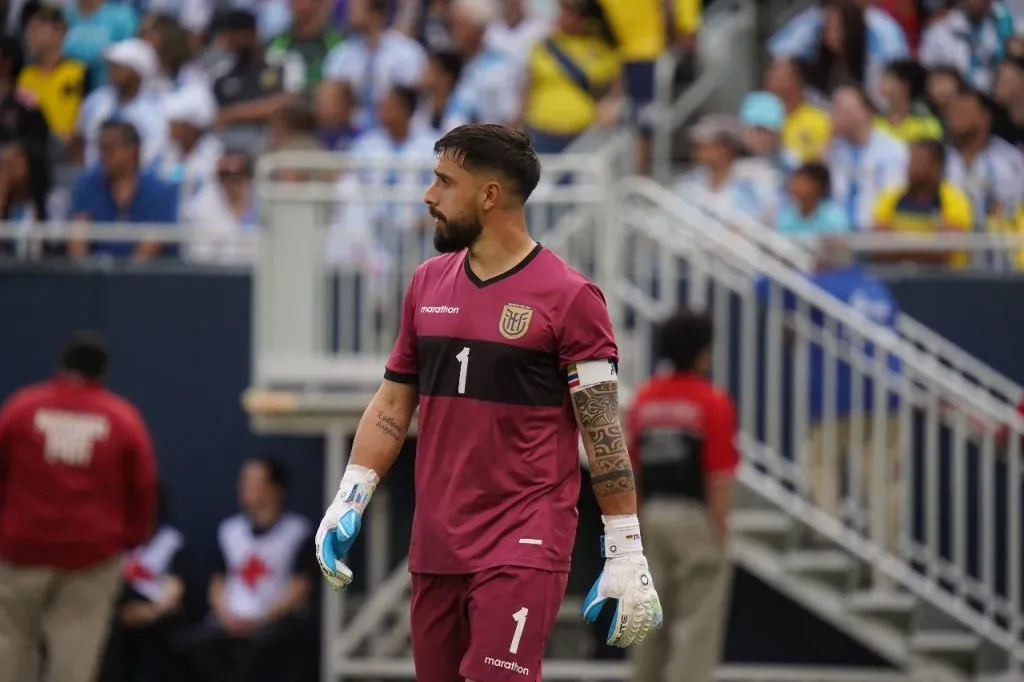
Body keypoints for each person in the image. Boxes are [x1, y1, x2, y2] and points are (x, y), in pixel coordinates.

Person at [315, 124, 663, 681]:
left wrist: (625, 545)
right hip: (437, 539)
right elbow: (393, 401)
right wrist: (350, 496)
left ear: (489, 195)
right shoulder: (427, 284)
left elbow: (602, 431)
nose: (429, 196)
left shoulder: (572, 299)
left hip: (524, 536)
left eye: (444, 182)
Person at [0, 331, 159, 682]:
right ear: (102, 373)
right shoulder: (121, 418)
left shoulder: (22, 407)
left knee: (11, 641)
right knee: (75, 650)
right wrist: (131, 539)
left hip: (20, 547)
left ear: (61, 366)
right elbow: (144, 485)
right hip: (91, 555)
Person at [627, 310, 738, 682]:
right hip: (694, 519)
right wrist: (719, 530)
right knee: (697, 624)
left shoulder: (644, 399)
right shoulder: (712, 401)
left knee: (651, 620)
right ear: (703, 354)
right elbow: (717, 476)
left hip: (652, 517)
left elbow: (633, 471)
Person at [181, 457, 314, 682]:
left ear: (275, 489)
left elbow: (300, 588)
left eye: (254, 483)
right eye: (244, 482)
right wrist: (227, 617)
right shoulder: (229, 531)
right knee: (191, 645)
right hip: (229, 622)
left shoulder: (298, 533)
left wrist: (260, 620)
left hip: (273, 625)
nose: (245, 489)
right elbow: (218, 582)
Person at [99, 488, 187, 682]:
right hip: (119, 610)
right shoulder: (117, 540)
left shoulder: (171, 542)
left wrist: (149, 612)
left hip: (154, 614)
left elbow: (175, 590)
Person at [68, 119, 180, 260]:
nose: (104, 155)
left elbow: (150, 245)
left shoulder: (160, 190)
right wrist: (82, 275)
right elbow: (78, 237)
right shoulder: (88, 184)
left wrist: (123, 279)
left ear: (133, 150)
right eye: (101, 149)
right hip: (96, 274)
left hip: (145, 278)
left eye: (110, 149)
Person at [872, 139, 974, 266]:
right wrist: (929, 243)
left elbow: (945, 250)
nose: (911, 166)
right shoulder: (890, 196)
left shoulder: (955, 199)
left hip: (946, 279)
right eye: (910, 160)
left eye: (919, 161)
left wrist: (898, 244)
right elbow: (879, 245)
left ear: (936, 166)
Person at [826, 84, 907, 231]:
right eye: (834, 109)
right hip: (836, 236)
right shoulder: (831, 149)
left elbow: (894, 194)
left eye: (843, 109)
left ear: (866, 111)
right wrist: (827, 141)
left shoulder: (893, 150)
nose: (835, 115)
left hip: (874, 234)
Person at [18, 5, 88, 142]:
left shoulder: (79, 71)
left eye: (37, 28)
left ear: (59, 31)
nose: (30, 34)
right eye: (29, 29)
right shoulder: (24, 75)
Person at [919, 0, 1018, 95]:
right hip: (954, 101)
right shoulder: (938, 32)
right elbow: (926, 73)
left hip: (994, 98)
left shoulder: (1004, 26)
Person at [776, 162, 850, 237]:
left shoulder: (834, 217)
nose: (794, 187)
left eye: (801, 183)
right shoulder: (786, 215)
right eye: (793, 182)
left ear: (817, 186)